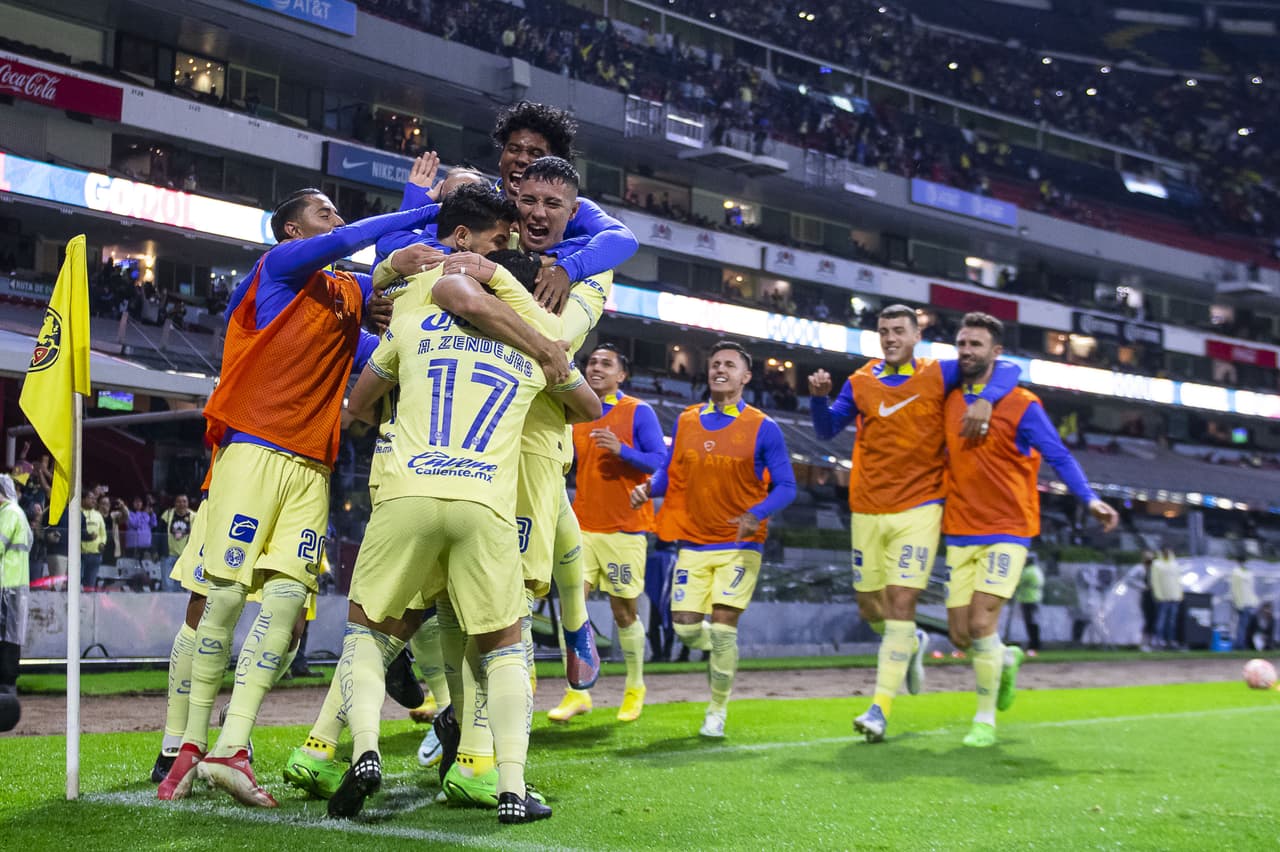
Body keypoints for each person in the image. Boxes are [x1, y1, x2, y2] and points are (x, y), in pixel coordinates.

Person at [157, 186, 448, 806]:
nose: (336, 222)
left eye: (337, 214)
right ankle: (183, 740)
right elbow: (357, 246)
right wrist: (425, 207)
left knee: (289, 606)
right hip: (252, 449)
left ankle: (232, 747)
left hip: (313, 466)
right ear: (292, 232)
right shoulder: (279, 269)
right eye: (323, 214)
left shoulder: (348, 302)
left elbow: (391, 338)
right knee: (221, 596)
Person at [280, 184, 571, 803]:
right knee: (489, 634)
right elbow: (567, 365)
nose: (518, 232)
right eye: (500, 234)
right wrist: (532, 322)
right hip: (497, 484)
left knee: (385, 625)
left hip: (403, 476)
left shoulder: (411, 302)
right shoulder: (503, 310)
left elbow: (360, 392)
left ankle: (329, 748)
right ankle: (480, 764)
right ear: (463, 240)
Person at [324, 264, 600, 822]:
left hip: (408, 496)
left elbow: (358, 403)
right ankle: (512, 789)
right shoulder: (529, 356)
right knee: (502, 650)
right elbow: (591, 409)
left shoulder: (413, 328)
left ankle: (366, 751)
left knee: (367, 637)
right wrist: (547, 351)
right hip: (486, 508)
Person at [808, 304, 1020, 743]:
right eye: (883, 331)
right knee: (871, 608)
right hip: (867, 507)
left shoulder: (938, 373)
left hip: (920, 507)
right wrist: (817, 398)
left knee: (901, 603)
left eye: (898, 331)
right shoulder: (861, 381)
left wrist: (984, 399)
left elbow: (1009, 368)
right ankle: (912, 645)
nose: (890, 338)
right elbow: (827, 429)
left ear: (915, 335)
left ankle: (879, 709)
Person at [941, 313, 1118, 747]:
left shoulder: (1023, 404)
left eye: (976, 344)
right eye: (962, 343)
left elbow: (1058, 455)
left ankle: (984, 720)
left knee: (982, 622)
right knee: (961, 634)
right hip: (959, 529)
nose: (966, 351)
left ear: (996, 353)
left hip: (1008, 529)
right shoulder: (946, 396)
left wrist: (1089, 499)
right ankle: (1007, 658)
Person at [631, 341, 797, 737]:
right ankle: (726, 652)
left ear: (746, 377)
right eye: (715, 363)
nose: (720, 369)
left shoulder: (763, 427)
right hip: (694, 543)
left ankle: (716, 711)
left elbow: (787, 487)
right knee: (686, 629)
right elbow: (671, 474)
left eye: (729, 365)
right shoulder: (687, 420)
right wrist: (648, 488)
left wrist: (754, 514)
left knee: (723, 629)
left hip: (741, 545)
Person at [553, 344, 667, 723]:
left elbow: (660, 463)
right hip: (583, 526)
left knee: (623, 612)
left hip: (625, 530)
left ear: (622, 375)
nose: (596, 367)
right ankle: (577, 692)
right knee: (573, 606)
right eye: (592, 362)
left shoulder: (638, 411)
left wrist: (623, 451)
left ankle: (635, 687)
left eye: (607, 364)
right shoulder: (578, 411)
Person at [0, 475, 32, 698]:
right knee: (9, 636)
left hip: (8, 586)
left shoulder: (9, 513)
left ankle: (6, 685)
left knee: (7, 636)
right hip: (13, 585)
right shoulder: (15, 512)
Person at [158, 495, 193, 592]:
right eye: (179, 501)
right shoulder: (167, 515)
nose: (182, 504)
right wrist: (156, 551)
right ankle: (167, 606)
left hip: (185, 557)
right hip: (168, 556)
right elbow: (159, 533)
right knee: (168, 586)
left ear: (188, 503)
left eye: (184, 501)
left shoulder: (194, 516)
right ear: (175, 503)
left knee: (183, 586)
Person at [1151, 547, 1183, 649]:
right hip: (1163, 597)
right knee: (1161, 620)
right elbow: (1154, 581)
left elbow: (1178, 580)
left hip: (1174, 597)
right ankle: (1158, 640)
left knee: (1172, 621)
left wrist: (1179, 594)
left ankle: (1171, 641)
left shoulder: (1174, 564)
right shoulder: (1157, 564)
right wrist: (1158, 595)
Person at [1013, 554, 1044, 655]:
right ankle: (1034, 645)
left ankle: (1034, 646)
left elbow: (1017, 582)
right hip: (1035, 600)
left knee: (1031, 624)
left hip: (1029, 600)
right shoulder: (1037, 570)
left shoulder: (1028, 571)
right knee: (1033, 623)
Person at [1230, 560, 1259, 651]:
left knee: (1249, 626)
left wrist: (1255, 602)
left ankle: (1248, 644)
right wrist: (1238, 604)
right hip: (1242, 604)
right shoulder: (1236, 573)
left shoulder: (1249, 573)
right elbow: (1235, 590)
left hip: (1251, 603)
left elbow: (1252, 589)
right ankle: (1240, 645)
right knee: (1242, 626)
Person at [80, 491, 105, 592]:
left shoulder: (98, 515)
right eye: (91, 498)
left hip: (95, 555)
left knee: (90, 586)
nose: (94, 500)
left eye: (95, 499)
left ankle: (87, 607)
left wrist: (102, 543)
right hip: (80, 555)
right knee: (76, 584)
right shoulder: (77, 513)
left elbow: (103, 534)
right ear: (83, 499)